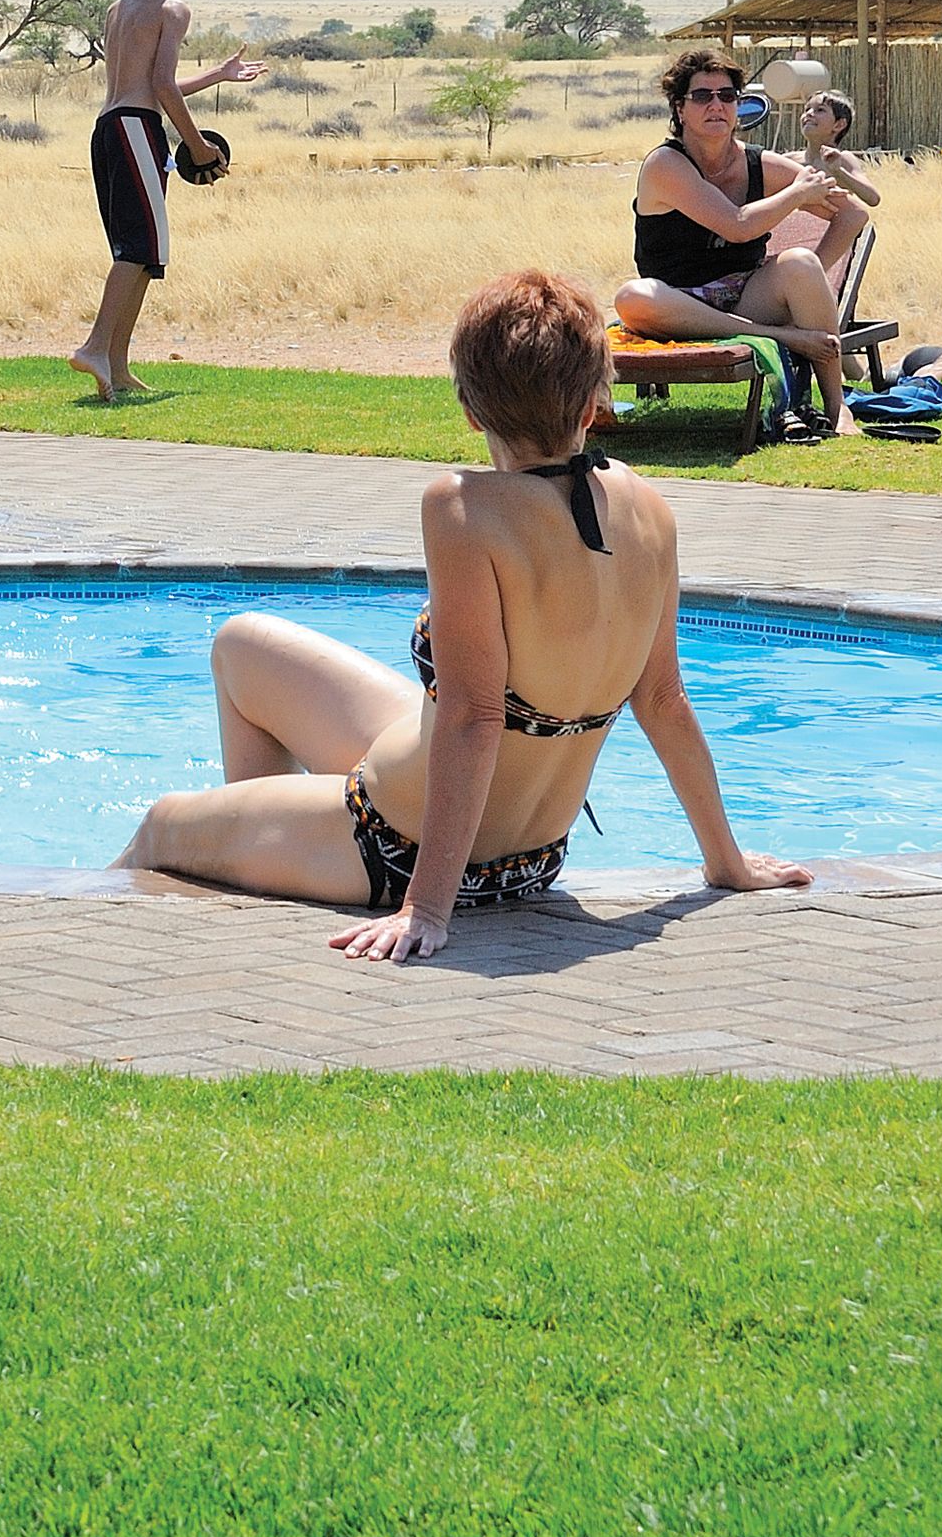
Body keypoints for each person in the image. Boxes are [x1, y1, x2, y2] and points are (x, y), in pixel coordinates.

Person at [113, 268, 810, 953]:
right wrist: (727, 862)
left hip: (394, 847)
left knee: (157, 828)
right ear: (596, 397)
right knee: (241, 647)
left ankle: (266, 846)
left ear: (472, 408)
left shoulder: (463, 508)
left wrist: (425, 907)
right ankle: (266, 847)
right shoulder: (649, 510)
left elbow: (475, 717)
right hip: (533, 859)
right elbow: (663, 699)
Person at [614, 46, 866, 436]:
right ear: (680, 109)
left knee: (799, 262)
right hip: (678, 303)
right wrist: (797, 194)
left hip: (745, 296)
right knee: (632, 297)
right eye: (702, 96)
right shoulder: (665, 164)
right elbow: (737, 226)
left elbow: (854, 214)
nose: (716, 105)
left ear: (738, 106)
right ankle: (782, 337)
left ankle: (837, 406)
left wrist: (813, 273)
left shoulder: (759, 164)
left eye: (727, 96)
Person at [71, 0, 268, 401]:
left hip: (109, 130)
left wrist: (217, 75)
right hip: (138, 131)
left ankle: (116, 367)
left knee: (141, 254)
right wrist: (198, 146)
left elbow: (145, 86)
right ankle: (95, 346)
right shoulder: (172, 9)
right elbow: (158, 87)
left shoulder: (118, 11)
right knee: (139, 247)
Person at [778, 88, 880, 288]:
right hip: (786, 242)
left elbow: (872, 198)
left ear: (839, 125)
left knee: (808, 282)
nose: (809, 114)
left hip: (827, 245)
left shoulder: (843, 160)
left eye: (820, 110)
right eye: (807, 109)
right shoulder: (787, 161)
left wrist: (838, 172)